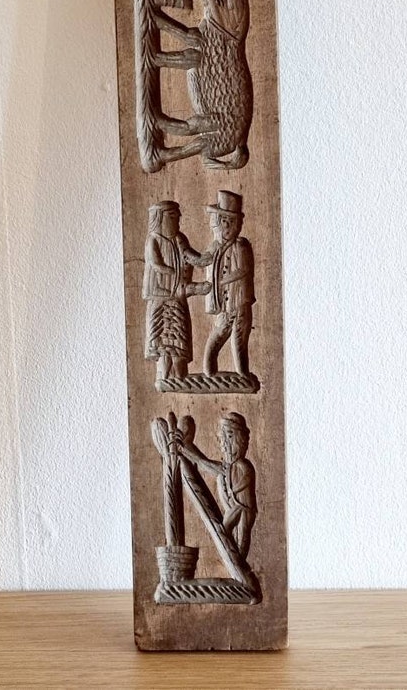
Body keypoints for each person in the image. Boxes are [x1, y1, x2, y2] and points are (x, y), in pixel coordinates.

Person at [142, 202, 210, 381]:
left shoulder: (179, 239)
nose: (178, 219)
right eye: (173, 216)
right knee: (163, 343)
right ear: (160, 218)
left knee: (179, 341)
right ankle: (164, 377)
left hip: (177, 298)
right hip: (160, 297)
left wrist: (206, 259)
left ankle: (179, 377)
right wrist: (169, 270)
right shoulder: (153, 239)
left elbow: (191, 257)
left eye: (178, 216)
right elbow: (155, 263)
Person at [181, 412, 257, 558]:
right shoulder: (229, 467)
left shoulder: (241, 467)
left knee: (236, 555)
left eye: (229, 436)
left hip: (239, 520)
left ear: (239, 439)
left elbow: (241, 509)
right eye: (223, 437)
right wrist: (185, 448)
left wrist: (224, 530)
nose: (224, 443)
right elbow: (204, 463)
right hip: (233, 520)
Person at [203, 191, 255, 376]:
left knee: (240, 334)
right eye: (223, 221)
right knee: (220, 332)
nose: (226, 226)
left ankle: (242, 372)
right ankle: (209, 370)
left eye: (230, 222)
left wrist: (222, 281)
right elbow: (206, 264)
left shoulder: (240, 246)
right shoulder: (215, 247)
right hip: (224, 304)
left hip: (239, 299)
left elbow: (243, 269)